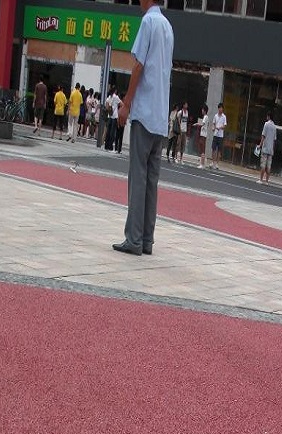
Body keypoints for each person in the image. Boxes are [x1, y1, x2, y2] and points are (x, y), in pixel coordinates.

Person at [112, 0, 174, 256]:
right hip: (160, 116)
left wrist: (126, 103)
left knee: (137, 177)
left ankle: (134, 239)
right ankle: (147, 239)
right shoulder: (168, 26)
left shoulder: (148, 21)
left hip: (145, 111)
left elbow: (139, 65)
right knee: (151, 181)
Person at [257, 111, 276, 184]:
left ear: (268, 116)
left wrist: (260, 145)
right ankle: (267, 181)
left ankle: (261, 179)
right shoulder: (274, 127)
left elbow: (263, 136)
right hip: (271, 149)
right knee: (269, 165)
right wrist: (273, 149)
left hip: (265, 148)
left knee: (263, 164)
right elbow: (274, 140)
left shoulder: (266, 124)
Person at [192, 104, 209, 169]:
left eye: (202, 109)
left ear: (204, 110)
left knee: (202, 149)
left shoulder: (205, 117)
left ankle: (202, 164)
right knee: (202, 148)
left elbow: (202, 124)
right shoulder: (206, 117)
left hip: (203, 134)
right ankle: (202, 163)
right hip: (203, 134)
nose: (202, 110)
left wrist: (196, 124)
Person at [104, 86, 120, 151]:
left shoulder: (109, 97)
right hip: (115, 116)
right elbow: (121, 104)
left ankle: (106, 146)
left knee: (108, 131)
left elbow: (106, 106)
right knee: (112, 132)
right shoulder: (116, 97)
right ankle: (110, 146)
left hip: (109, 115)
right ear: (115, 91)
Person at [211, 102, 226, 169]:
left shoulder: (224, 116)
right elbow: (213, 123)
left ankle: (217, 164)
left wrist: (220, 127)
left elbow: (224, 125)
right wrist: (213, 128)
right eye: (220, 108)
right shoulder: (215, 116)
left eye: (222, 108)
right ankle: (212, 162)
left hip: (220, 135)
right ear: (218, 108)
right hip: (215, 134)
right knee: (213, 149)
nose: (221, 109)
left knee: (219, 150)